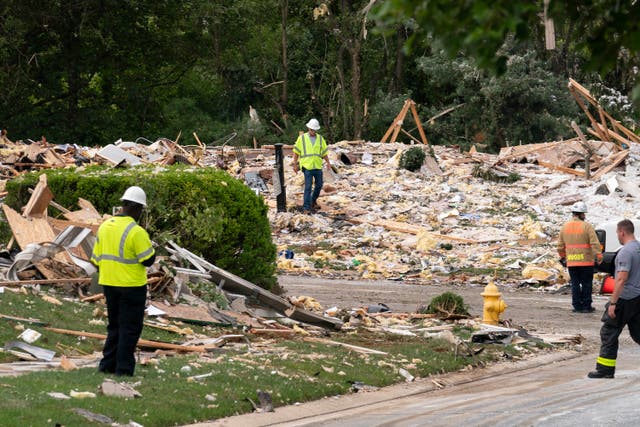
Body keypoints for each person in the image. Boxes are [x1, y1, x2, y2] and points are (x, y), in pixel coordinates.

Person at [91, 186, 156, 376]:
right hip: (131, 287)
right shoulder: (136, 232)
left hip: (109, 284)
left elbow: (95, 260)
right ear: (137, 208)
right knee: (129, 329)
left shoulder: (104, 226)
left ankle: (106, 366)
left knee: (114, 326)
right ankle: (124, 370)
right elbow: (148, 260)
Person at [588, 219, 640, 378]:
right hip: (638, 298)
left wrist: (613, 303)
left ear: (622, 232)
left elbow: (621, 279)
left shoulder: (625, 252)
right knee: (638, 333)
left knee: (608, 332)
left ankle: (605, 370)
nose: (617, 235)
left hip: (625, 298)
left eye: (617, 233)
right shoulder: (638, 248)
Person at [557, 201, 603, 313]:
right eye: (584, 214)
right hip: (586, 261)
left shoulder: (565, 227)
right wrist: (598, 255)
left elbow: (560, 246)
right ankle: (587, 306)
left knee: (575, 284)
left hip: (572, 262)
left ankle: (577, 306)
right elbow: (594, 243)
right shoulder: (587, 226)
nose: (585, 216)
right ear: (581, 214)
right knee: (587, 283)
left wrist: (563, 257)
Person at [292, 118, 331, 214]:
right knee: (308, 187)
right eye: (311, 130)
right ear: (308, 128)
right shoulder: (302, 138)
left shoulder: (321, 139)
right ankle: (306, 207)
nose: (312, 131)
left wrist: (328, 162)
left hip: (317, 166)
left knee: (319, 185)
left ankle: (313, 201)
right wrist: (295, 164)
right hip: (307, 167)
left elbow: (324, 153)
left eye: (314, 130)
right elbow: (296, 152)